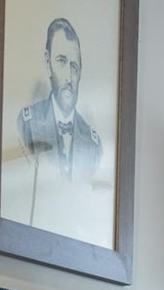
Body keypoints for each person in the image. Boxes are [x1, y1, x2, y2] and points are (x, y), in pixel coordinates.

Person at [12, 17, 105, 222]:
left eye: (74, 66)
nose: (68, 77)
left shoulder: (93, 145)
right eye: (61, 62)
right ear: (48, 64)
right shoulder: (28, 123)